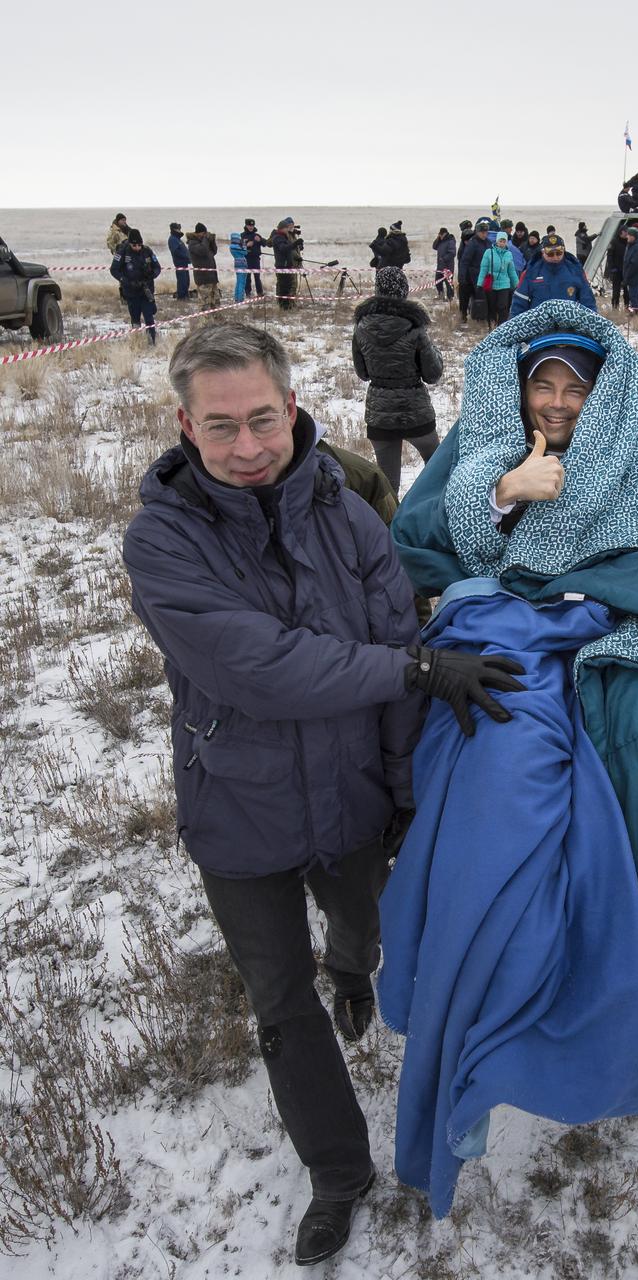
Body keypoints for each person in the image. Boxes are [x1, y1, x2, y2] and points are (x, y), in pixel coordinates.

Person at [122, 321, 523, 1264]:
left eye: (262, 419)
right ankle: (337, 1172)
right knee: (278, 1000)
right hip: (238, 805)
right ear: (185, 425)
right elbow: (258, 668)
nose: (247, 447)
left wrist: (406, 792)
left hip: (348, 796)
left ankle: (352, 968)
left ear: (293, 406)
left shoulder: (349, 513)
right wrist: (411, 670)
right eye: (221, 426)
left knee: (362, 930)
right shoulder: (162, 539)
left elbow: (395, 638)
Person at [384, 301, 638, 1216]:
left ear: (605, 396)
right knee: (500, 802)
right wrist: (505, 492)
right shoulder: (485, 446)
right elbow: (422, 542)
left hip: (614, 620)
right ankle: (480, 1024)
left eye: (574, 389)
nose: (555, 402)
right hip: (507, 632)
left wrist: (605, 584)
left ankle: (630, 998)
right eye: (541, 385)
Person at [351, 266, 444, 493]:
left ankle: (391, 516)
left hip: (380, 416)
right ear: (404, 291)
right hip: (416, 412)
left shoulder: (361, 328)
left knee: (388, 486)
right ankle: (432, 509)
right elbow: (433, 374)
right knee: (439, 473)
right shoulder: (415, 327)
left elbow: (363, 374)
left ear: (377, 291)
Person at [511, 234, 596, 317]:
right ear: (543, 252)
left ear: (564, 251)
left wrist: (593, 321)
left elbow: (588, 301)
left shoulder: (576, 270)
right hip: (540, 324)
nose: (555, 257)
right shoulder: (531, 272)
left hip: (569, 324)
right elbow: (519, 303)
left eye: (559, 253)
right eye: (550, 254)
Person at [110, 229, 162, 342]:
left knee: (149, 317)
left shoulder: (147, 251)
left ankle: (152, 342)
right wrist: (126, 281)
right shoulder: (122, 252)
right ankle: (137, 341)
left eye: (139, 245)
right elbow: (114, 270)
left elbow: (157, 267)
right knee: (135, 318)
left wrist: (152, 275)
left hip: (146, 290)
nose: (137, 247)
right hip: (131, 292)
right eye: (134, 245)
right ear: (130, 243)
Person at [477, 230, 519, 330]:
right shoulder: (489, 252)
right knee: (492, 307)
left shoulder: (508, 254)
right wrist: (479, 284)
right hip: (491, 284)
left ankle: (501, 328)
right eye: (500, 241)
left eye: (504, 241)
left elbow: (511, 271)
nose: (502, 243)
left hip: (504, 285)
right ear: (496, 241)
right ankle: (492, 326)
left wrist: (517, 285)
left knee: (503, 307)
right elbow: (483, 269)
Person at [459, 220, 491, 326]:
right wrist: (462, 276)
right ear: (477, 232)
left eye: (486, 232)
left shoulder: (488, 243)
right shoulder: (473, 243)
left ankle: (482, 317)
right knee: (467, 297)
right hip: (473, 275)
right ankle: (465, 315)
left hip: (486, 275)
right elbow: (465, 261)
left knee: (484, 296)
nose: (484, 234)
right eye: (482, 232)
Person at [186, 223, 220, 310]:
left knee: (215, 302)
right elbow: (203, 250)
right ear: (198, 233)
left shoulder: (204, 242)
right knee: (205, 304)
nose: (205, 235)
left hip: (212, 277)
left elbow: (214, 251)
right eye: (204, 233)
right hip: (203, 278)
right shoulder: (192, 243)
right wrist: (206, 239)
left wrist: (212, 241)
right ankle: (204, 319)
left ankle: (215, 317)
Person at [271, 218, 302, 310]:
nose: (288, 229)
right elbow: (283, 248)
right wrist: (294, 244)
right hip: (282, 266)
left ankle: (288, 305)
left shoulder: (284, 237)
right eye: (287, 228)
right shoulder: (278, 238)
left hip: (288, 266)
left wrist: (297, 252)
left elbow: (289, 250)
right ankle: (284, 306)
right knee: (283, 287)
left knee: (288, 285)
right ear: (282, 228)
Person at [621, 224, 638, 313]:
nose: (627, 237)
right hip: (631, 276)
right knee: (632, 295)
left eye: (629, 235)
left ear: (633, 236)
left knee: (634, 295)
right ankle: (633, 310)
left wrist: (627, 276)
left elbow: (634, 264)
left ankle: (635, 312)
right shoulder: (631, 245)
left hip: (635, 276)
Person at [456, 220, 476, 321]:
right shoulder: (463, 248)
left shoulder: (474, 246)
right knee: (464, 300)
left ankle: (474, 316)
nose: (468, 242)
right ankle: (463, 316)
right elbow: (461, 262)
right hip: (465, 278)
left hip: (473, 277)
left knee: (474, 299)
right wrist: (461, 277)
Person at [241, 218, 266, 297]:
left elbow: (265, 244)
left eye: (252, 225)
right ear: (246, 225)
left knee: (257, 277)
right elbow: (239, 247)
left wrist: (260, 240)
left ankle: (260, 292)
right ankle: (248, 293)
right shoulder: (242, 235)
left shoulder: (256, 235)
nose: (251, 227)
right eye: (249, 225)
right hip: (246, 259)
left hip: (256, 259)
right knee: (247, 277)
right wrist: (246, 245)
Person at [168, 223, 192, 300]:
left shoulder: (178, 239)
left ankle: (185, 295)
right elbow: (175, 252)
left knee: (186, 281)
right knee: (182, 282)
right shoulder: (172, 239)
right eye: (178, 228)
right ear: (174, 229)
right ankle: (181, 297)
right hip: (179, 263)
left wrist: (188, 257)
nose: (179, 230)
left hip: (184, 263)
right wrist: (185, 256)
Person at [432, 227, 456, 301]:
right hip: (440, 266)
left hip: (448, 266)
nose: (440, 236)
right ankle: (441, 294)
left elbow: (452, 253)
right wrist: (438, 238)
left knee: (448, 283)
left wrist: (444, 258)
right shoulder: (440, 241)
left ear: (444, 234)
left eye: (441, 235)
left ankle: (450, 297)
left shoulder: (450, 241)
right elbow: (434, 246)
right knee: (437, 281)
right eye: (439, 235)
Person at [228, 232, 249, 303]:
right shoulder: (236, 247)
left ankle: (237, 298)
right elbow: (245, 252)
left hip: (237, 264)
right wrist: (244, 244)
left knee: (238, 282)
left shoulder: (231, 247)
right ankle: (240, 299)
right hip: (242, 264)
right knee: (242, 283)